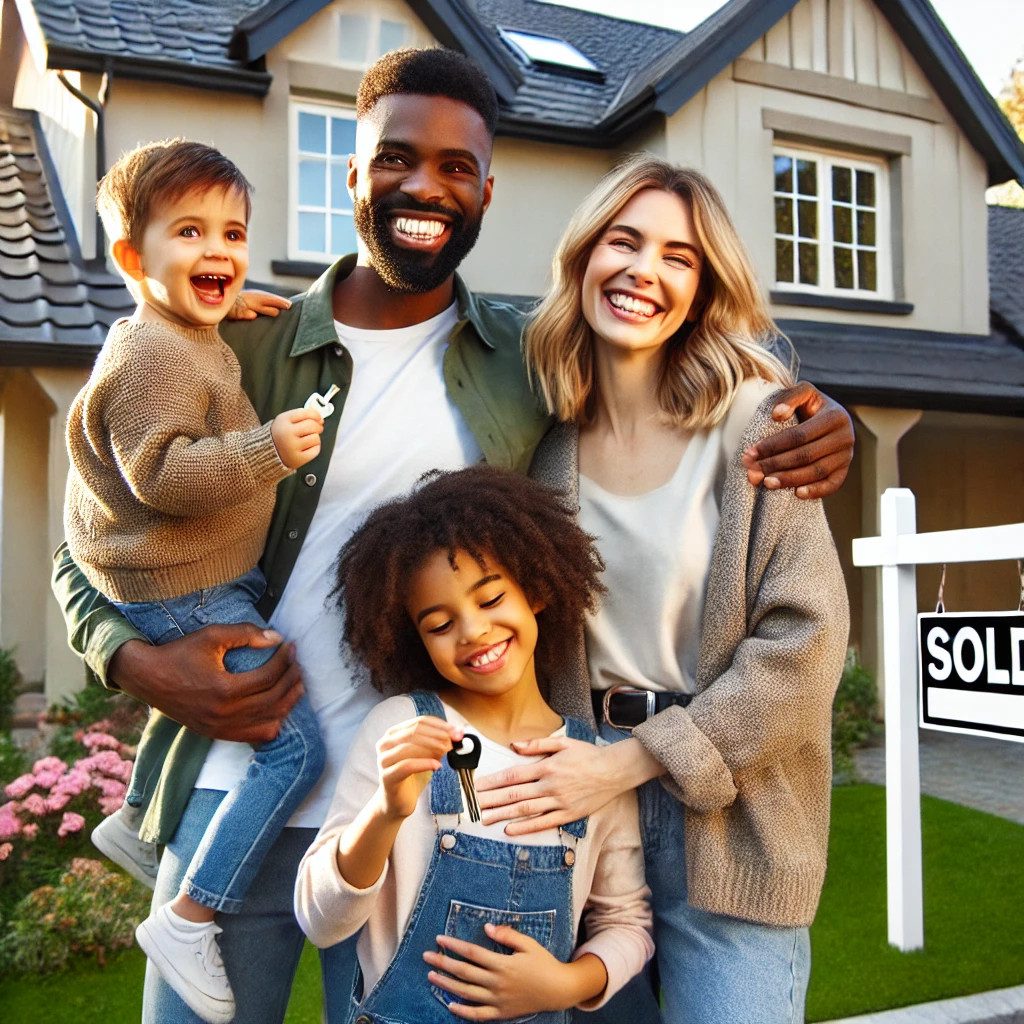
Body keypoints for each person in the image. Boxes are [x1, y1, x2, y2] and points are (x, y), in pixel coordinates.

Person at [51, 48, 854, 1023]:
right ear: (350, 172)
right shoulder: (237, 345)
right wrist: (136, 661)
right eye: (394, 158)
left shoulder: (525, 360)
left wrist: (812, 408)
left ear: (484, 191)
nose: (422, 185)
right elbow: (95, 531)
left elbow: (670, 348)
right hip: (239, 790)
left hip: (432, 810)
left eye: (454, 167)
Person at [475, 157, 851, 1024]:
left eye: (678, 256)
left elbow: (806, 646)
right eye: (625, 241)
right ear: (584, 259)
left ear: (703, 285)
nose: (645, 270)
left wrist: (630, 763)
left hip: (734, 822)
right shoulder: (543, 442)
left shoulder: (763, 424)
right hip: (577, 817)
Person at [62, 139, 327, 1023]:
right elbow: (162, 472)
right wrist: (267, 451)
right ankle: (188, 913)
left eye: (232, 233)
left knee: (272, 741)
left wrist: (219, 311)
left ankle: (143, 838)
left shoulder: (178, 334)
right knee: (293, 750)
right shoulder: (156, 355)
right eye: (189, 233)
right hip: (191, 591)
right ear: (135, 259)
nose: (217, 251)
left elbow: (184, 352)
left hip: (191, 584)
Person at [295, 465, 654, 1022]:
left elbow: (626, 923)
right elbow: (322, 922)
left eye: (490, 600)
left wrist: (565, 984)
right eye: (440, 624)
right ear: (412, 638)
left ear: (535, 589)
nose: (473, 632)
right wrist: (385, 811)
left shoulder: (594, 768)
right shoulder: (399, 729)